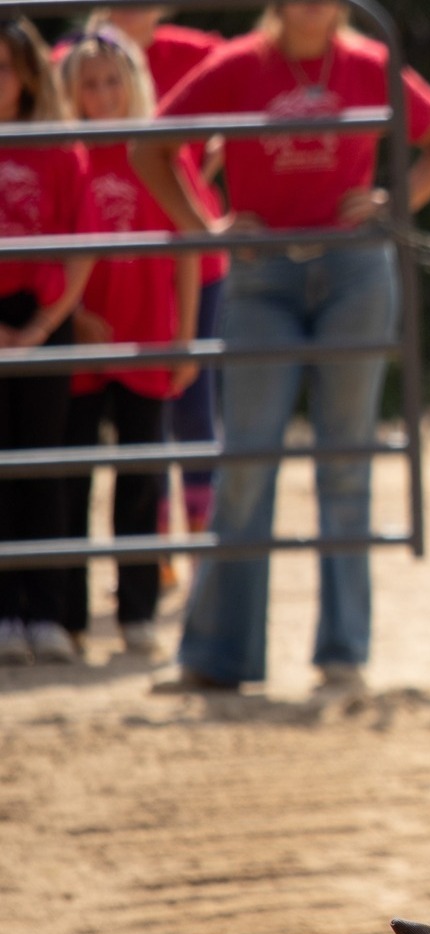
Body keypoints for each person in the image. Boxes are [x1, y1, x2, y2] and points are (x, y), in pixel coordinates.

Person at [131, 0, 430, 691]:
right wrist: (205, 226)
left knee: (345, 460)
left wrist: (395, 202)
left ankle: (343, 655)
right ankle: (216, 656)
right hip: (261, 272)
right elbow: (148, 145)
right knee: (246, 460)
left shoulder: (370, 62)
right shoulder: (237, 65)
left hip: (353, 273)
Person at [55, 28, 200, 661]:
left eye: (114, 80)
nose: (103, 94)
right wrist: (74, 313)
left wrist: (188, 337)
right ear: (72, 92)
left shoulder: (161, 151)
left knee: (141, 478)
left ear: (134, 84)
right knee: (68, 479)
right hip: (85, 335)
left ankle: (138, 610)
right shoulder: (65, 152)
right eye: (90, 83)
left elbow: (192, 249)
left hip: (148, 333)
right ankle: (66, 615)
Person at [66, 6, 230, 564]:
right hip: (101, 299)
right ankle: (152, 561)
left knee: (189, 406)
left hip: (180, 271)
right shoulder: (75, 58)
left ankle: (199, 544)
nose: (103, 90)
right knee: (101, 439)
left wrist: (212, 151)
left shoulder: (189, 50)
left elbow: (240, 81)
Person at [0, 16, 94, 666]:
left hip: (43, 317)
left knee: (44, 463)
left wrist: (38, 326)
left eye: (5, 67)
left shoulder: (61, 147)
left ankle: (49, 611)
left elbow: (82, 246)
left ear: (29, 75)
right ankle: (6, 611)